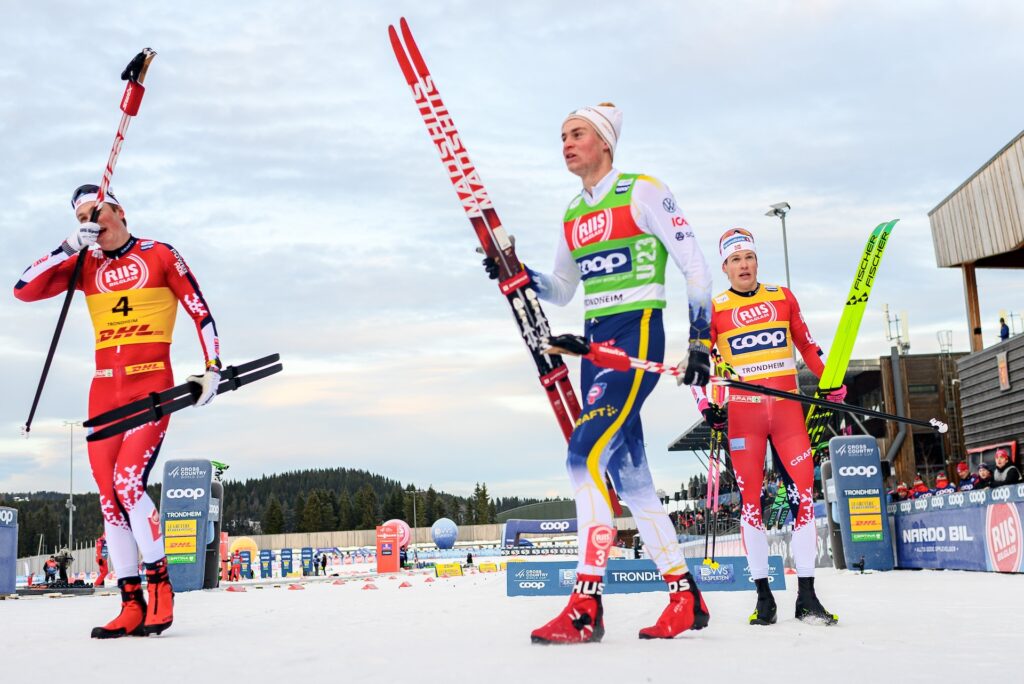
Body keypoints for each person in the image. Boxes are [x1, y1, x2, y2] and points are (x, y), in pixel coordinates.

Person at [495, 103, 713, 644]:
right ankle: (685, 597)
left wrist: (701, 340)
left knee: (583, 455)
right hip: (595, 347)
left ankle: (585, 605)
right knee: (632, 482)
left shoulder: (641, 190)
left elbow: (694, 264)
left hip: (638, 334)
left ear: (606, 143)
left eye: (577, 134)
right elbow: (563, 289)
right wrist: (521, 275)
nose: (566, 143)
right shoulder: (572, 212)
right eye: (562, 135)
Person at [14, 185, 221, 638]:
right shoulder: (84, 264)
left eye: (99, 211)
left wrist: (212, 369)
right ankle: (130, 602)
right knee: (108, 497)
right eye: (84, 216)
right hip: (103, 390)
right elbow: (22, 290)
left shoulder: (160, 254)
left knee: (129, 484)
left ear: (119, 211)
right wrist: (68, 246)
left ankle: (160, 586)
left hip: (150, 383)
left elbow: (200, 312)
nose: (94, 221)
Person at [690, 227, 842, 627]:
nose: (744, 265)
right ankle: (764, 598)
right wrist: (707, 406)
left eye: (749, 257)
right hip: (744, 416)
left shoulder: (782, 297)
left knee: (804, 499)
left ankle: (807, 597)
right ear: (724, 267)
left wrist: (831, 381)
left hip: (789, 412)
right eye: (735, 259)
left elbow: (808, 346)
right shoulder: (713, 308)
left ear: (757, 261)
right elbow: (699, 368)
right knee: (752, 507)